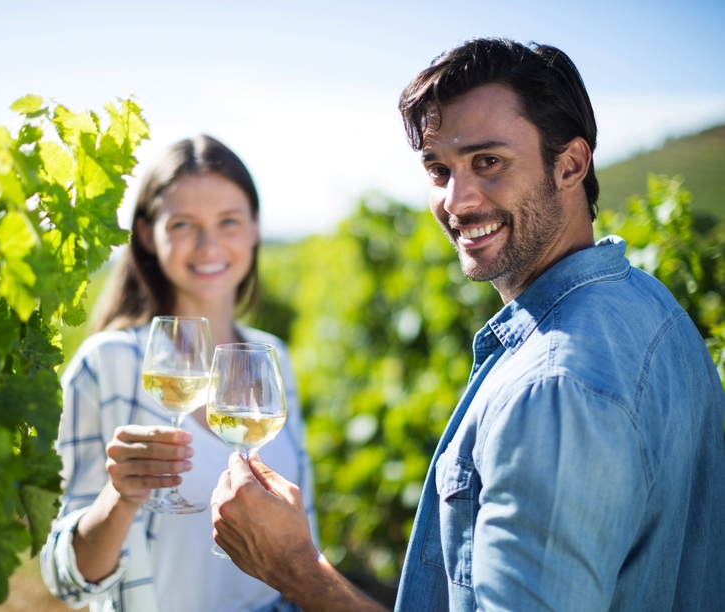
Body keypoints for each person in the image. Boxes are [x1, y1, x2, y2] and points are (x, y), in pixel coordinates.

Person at [209, 37, 725, 611]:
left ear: (571, 164)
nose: (457, 200)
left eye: (488, 162)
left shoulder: (551, 388)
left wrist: (296, 571)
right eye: (439, 170)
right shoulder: (651, 308)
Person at [40, 134, 317, 612]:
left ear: (254, 227)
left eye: (228, 221)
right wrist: (120, 497)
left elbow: (304, 536)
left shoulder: (273, 356)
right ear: (147, 234)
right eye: (184, 224)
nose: (209, 244)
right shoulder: (106, 365)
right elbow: (66, 579)